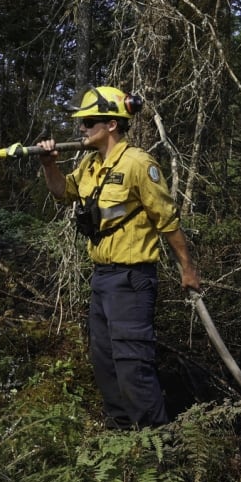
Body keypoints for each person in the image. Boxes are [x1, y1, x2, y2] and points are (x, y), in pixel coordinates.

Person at [36, 85, 201, 430]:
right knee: (106, 363)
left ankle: (156, 445)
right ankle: (121, 436)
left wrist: (188, 268)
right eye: (81, 121)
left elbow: (167, 221)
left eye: (90, 120)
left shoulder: (139, 164)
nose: (82, 127)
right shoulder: (89, 165)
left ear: (112, 124)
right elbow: (62, 193)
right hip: (102, 278)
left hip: (132, 280)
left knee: (133, 366)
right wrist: (49, 165)